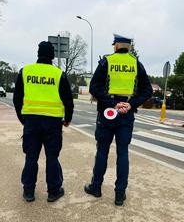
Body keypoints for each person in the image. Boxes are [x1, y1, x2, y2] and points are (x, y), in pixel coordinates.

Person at [84, 34, 153, 206]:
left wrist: (113, 103)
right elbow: (147, 90)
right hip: (127, 113)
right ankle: (120, 194)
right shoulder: (136, 63)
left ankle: (96, 187)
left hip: (108, 111)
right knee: (123, 153)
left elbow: (94, 87)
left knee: (102, 151)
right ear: (128, 47)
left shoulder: (107, 61)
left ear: (115, 46)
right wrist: (130, 104)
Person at [13, 41, 74, 202]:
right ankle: (53, 191)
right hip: (53, 123)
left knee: (31, 157)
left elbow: (17, 99)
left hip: (31, 122)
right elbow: (68, 100)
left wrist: (22, 119)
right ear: (52, 55)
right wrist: (67, 119)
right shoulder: (58, 74)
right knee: (52, 157)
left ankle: (28, 191)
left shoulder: (25, 71)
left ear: (38, 54)